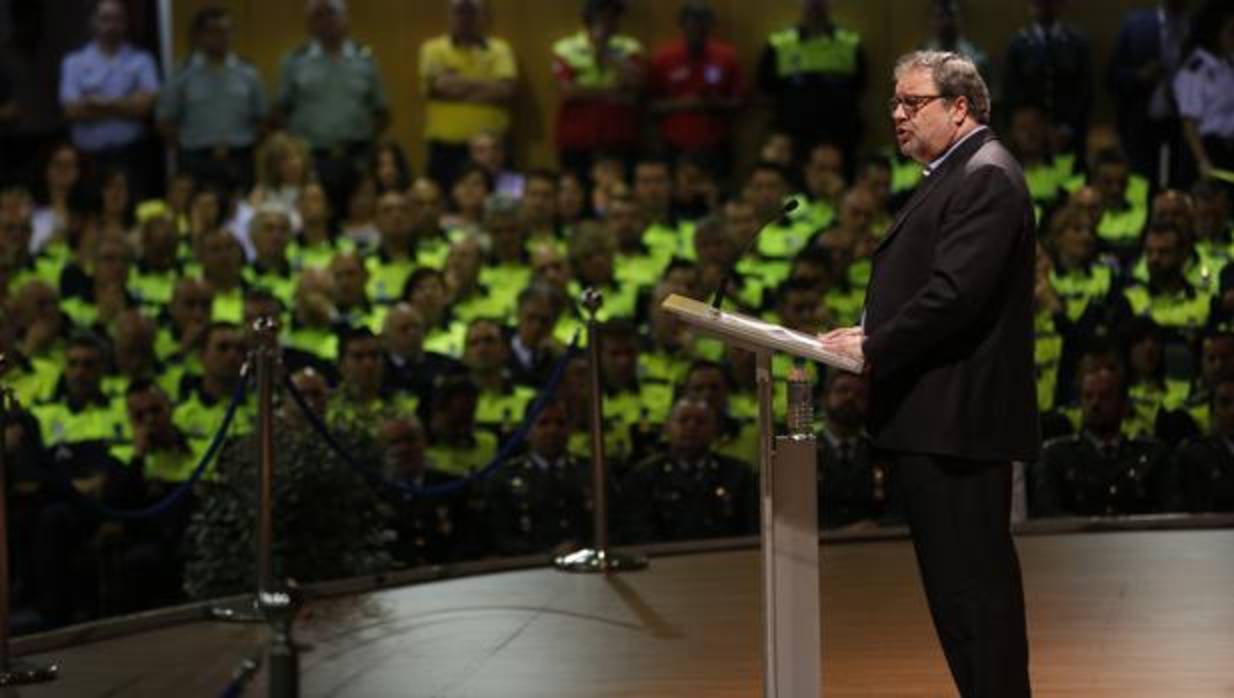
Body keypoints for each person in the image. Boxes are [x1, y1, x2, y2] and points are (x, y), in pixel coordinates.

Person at [820, 51, 1035, 697]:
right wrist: (873, 333)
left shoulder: (986, 175)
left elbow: (954, 295)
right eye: (894, 102)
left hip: (956, 422)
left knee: (975, 594)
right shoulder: (957, 171)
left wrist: (878, 344)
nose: (896, 115)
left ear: (959, 106)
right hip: (939, 418)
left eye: (911, 103)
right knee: (958, 596)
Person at [274, 0, 389, 213]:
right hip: (312, 158)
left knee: (357, 214)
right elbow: (281, 110)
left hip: (355, 156)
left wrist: (366, 143)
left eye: (332, 14)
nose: (326, 21)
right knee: (316, 214)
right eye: (319, 15)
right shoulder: (295, 61)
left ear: (346, 19)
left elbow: (381, 111)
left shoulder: (365, 59)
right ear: (309, 23)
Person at [157, 6, 266, 195]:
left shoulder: (248, 72)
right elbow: (165, 121)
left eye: (226, 31)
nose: (221, 37)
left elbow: (263, 119)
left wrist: (246, 144)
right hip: (198, 159)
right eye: (213, 32)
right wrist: (187, 146)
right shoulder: (183, 74)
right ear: (200, 36)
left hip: (239, 158)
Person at [58, 0, 159, 199]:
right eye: (105, 19)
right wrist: (126, 103)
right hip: (88, 158)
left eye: (118, 19)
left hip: (130, 155)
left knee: (131, 212)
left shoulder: (141, 60)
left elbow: (145, 107)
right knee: (89, 214)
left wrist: (97, 103)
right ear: (93, 22)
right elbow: (71, 110)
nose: (112, 25)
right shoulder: (74, 62)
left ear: (126, 23)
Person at [757, 0, 866, 170]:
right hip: (793, 137)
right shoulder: (780, 44)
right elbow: (765, 89)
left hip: (838, 136)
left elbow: (860, 86)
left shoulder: (850, 43)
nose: (815, 4)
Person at [419, 0, 517, 189]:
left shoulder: (500, 49)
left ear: (482, 16)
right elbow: (435, 88)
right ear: (450, 15)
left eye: (471, 11)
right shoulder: (432, 49)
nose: (465, 17)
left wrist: (457, 84)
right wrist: (486, 86)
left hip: (492, 148)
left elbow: (506, 91)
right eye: (459, 11)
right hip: (446, 148)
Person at [647, 0, 745, 172]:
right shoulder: (664, 58)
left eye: (703, 26)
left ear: (710, 27)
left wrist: (717, 103)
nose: (698, 31)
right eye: (693, 25)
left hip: (716, 144)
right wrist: (684, 104)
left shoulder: (727, 57)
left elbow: (740, 103)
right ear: (682, 26)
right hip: (674, 145)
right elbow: (650, 105)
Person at [551, 0, 644, 177]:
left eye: (614, 14)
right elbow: (567, 92)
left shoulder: (630, 47)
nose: (609, 19)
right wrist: (612, 93)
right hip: (577, 137)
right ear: (588, 16)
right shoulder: (565, 48)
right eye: (602, 14)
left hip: (619, 135)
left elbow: (635, 87)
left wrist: (606, 52)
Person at [1107, 0, 1192, 184]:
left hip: (1186, 127)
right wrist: (1139, 75)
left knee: (1181, 184)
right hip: (1142, 125)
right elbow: (1112, 76)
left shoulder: (1196, 28)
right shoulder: (1136, 25)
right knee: (1141, 182)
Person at [1001, 0, 1093, 157]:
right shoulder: (1018, 44)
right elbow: (1011, 92)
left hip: (1070, 135)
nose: (1044, 7)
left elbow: (1085, 91)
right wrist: (1034, 130)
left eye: (1049, 3)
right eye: (1038, 3)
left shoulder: (1077, 43)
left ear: (1061, 5)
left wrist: (1067, 127)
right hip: (1030, 139)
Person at [1174, 0, 1234, 183]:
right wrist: (1203, 161)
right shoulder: (1195, 69)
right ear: (1214, 32)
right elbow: (1189, 123)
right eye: (1231, 32)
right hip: (1207, 149)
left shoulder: (1228, 63)